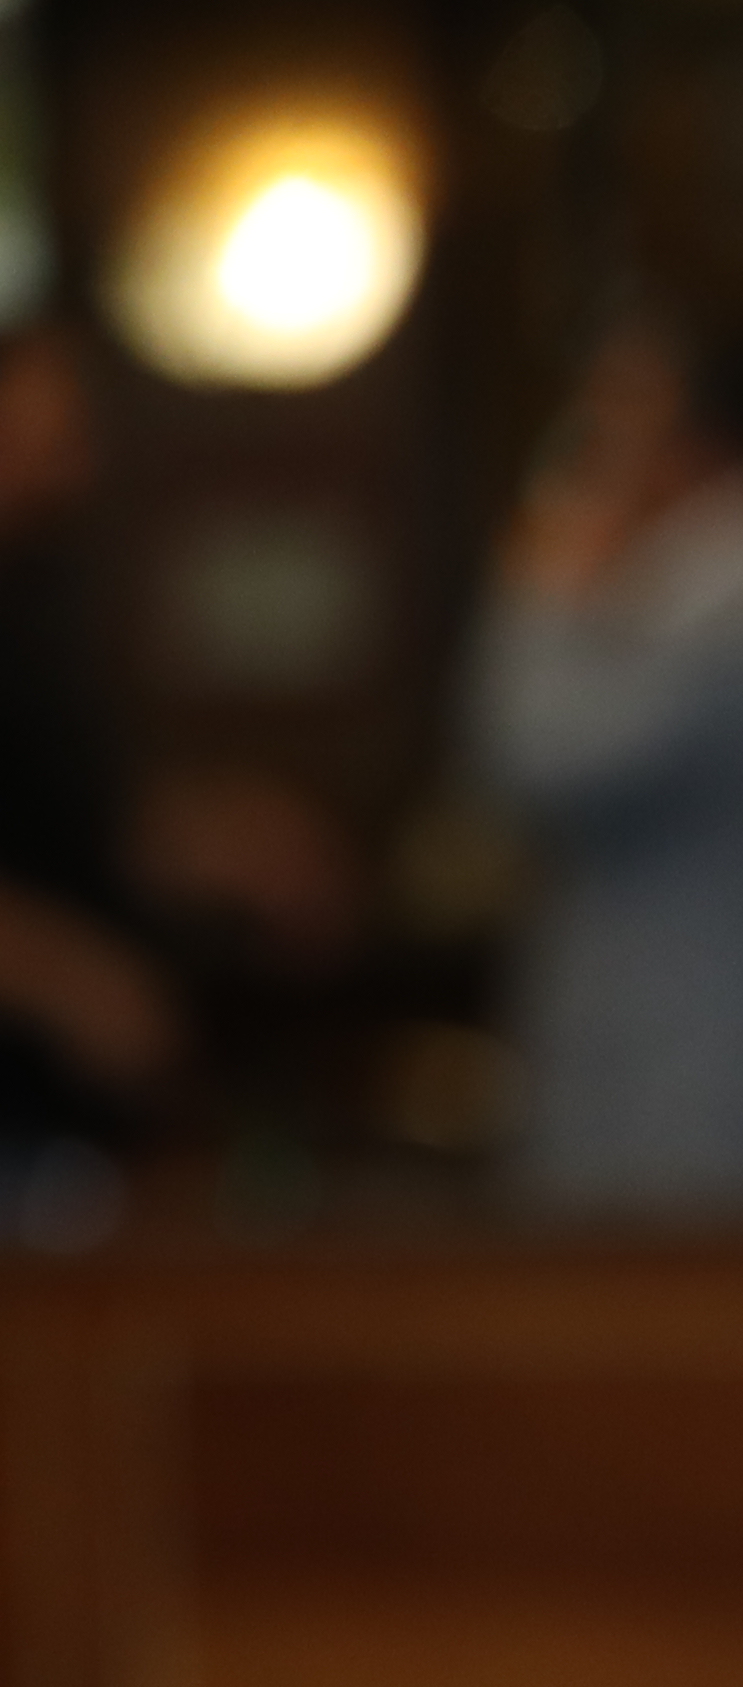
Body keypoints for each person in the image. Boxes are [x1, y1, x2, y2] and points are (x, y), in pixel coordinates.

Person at [465, 315, 743, 1209]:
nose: (588, 455)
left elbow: (532, 753)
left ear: (691, 439)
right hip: (704, 1082)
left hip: (702, 1104)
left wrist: (543, 583)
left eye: (614, 423)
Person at [0, 318, 352, 1233]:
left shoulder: (37, 594)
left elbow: (66, 817)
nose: (74, 462)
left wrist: (220, 843)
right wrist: (68, 978)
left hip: (62, 1116)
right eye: (48, 426)